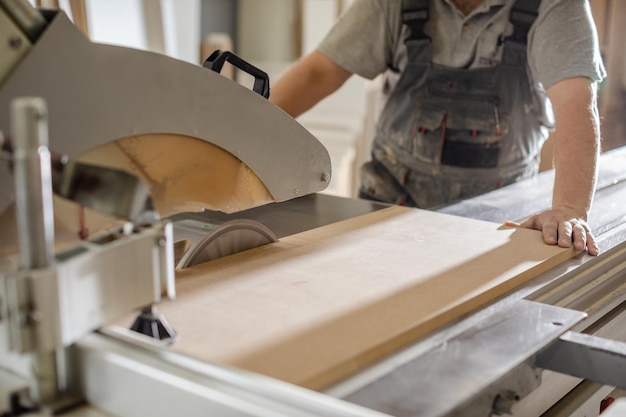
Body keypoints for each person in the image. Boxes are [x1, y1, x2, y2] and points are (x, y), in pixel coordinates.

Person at [269, 0, 605, 256]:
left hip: (499, 225)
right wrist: (243, 138)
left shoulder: (555, 4)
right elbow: (319, 73)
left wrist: (569, 210)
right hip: (389, 211)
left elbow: (575, 102)